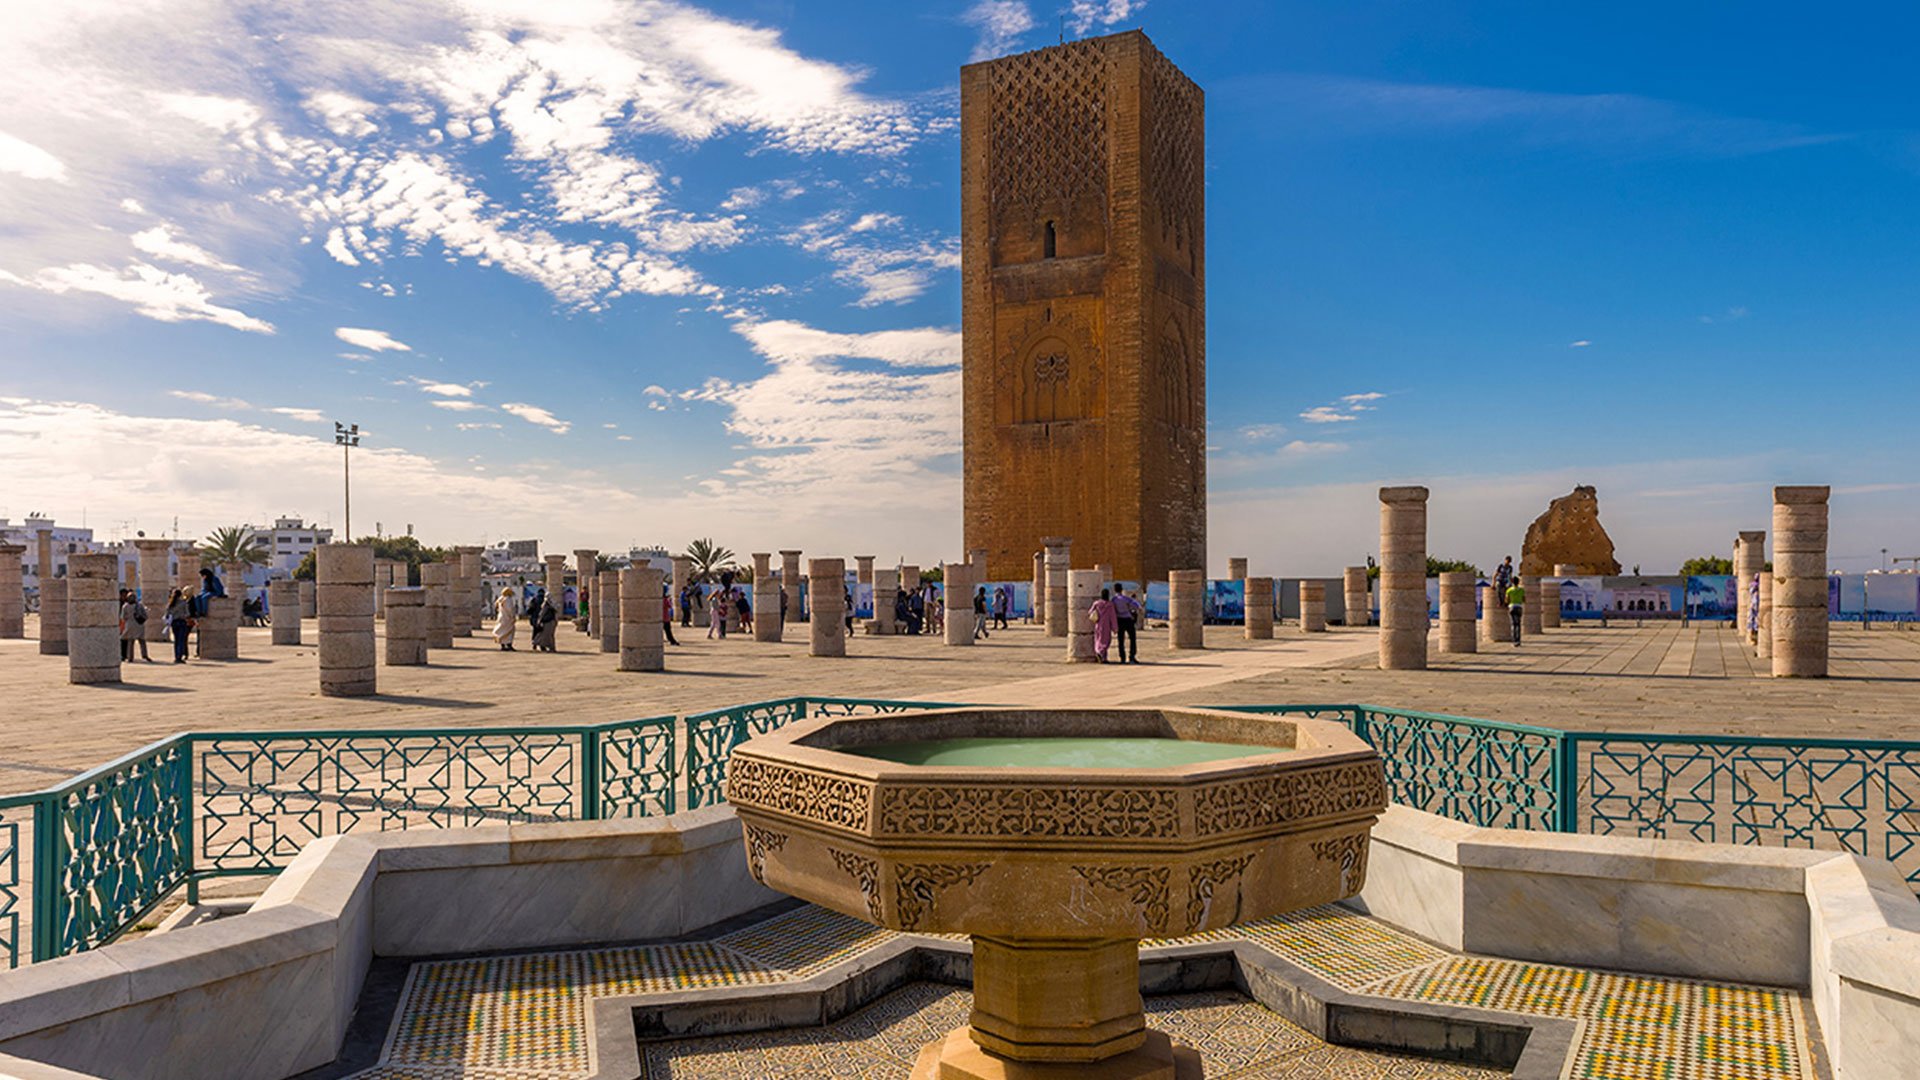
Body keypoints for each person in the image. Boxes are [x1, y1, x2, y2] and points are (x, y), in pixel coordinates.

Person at [119, 588, 151, 662]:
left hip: (130, 625)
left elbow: (123, 617)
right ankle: (145, 655)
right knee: (142, 641)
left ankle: (130, 657)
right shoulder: (140, 605)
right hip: (139, 625)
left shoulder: (125, 606)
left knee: (130, 642)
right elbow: (145, 615)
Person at [1112, 586, 1141, 664]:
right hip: (1128, 619)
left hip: (1119, 620)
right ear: (1122, 590)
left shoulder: (1113, 600)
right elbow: (1137, 606)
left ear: (1114, 590)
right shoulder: (1126, 599)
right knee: (1132, 638)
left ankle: (1122, 658)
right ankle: (1132, 656)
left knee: (1120, 640)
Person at [165, 587, 192, 663]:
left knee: (176, 640)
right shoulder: (183, 603)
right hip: (182, 622)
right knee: (181, 640)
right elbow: (187, 614)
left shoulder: (170, 604)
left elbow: (167, 614)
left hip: (174, 622)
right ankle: (179, 657)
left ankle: (176, 656)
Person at [1090, 587, 1117, 663]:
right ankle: (1100, 653)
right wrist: (1115, 628)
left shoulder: (1096, 603)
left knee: (1098, 639)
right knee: (1106, 641)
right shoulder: (1110, 605)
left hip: (1098, 624)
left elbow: (1090, 612)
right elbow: (1113, 617)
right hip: (1106, 625)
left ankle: (1103, 657)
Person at [492, 586, 517, 650]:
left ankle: (502, 645)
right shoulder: (508, 599)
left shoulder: (500, 599)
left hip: (501, 617)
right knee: (509, 631)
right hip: (507, 618)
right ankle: (509, 644)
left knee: (502, 630)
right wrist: (513, 616)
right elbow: (510, 609)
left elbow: (496, 608)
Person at [1505, 577, 1526, 646]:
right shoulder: (1522, 590)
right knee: (1518, 624)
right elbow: (1524, 600)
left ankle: (1514, 641)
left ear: (1512, 582)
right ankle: (1518, 640)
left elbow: (1507, 600)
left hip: (1512, 607)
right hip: (1519, 607)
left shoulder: (1509, 590)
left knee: (1513, 624)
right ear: (1518, 582)